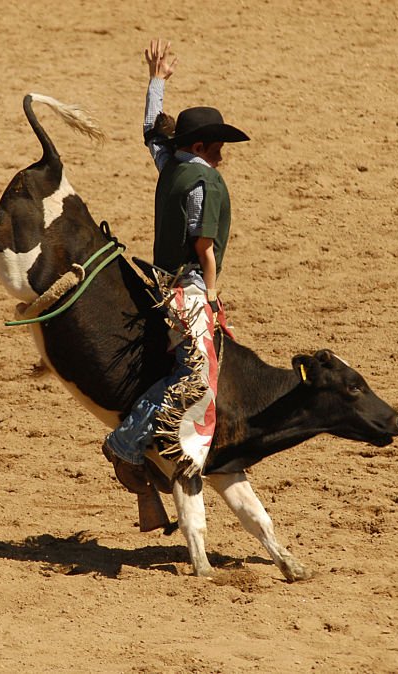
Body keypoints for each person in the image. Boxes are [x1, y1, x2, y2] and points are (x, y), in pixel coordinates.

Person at [103, 39, 249, 482]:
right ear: (201, 145)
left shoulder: (171, 164)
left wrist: (157, 81)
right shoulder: (203, 182)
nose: (222, 154)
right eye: (217, 146)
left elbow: (151, 130)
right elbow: (204, 244)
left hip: (159, 280)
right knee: (197, 372)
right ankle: (126, 443)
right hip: (186, 286)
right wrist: (212, 290)